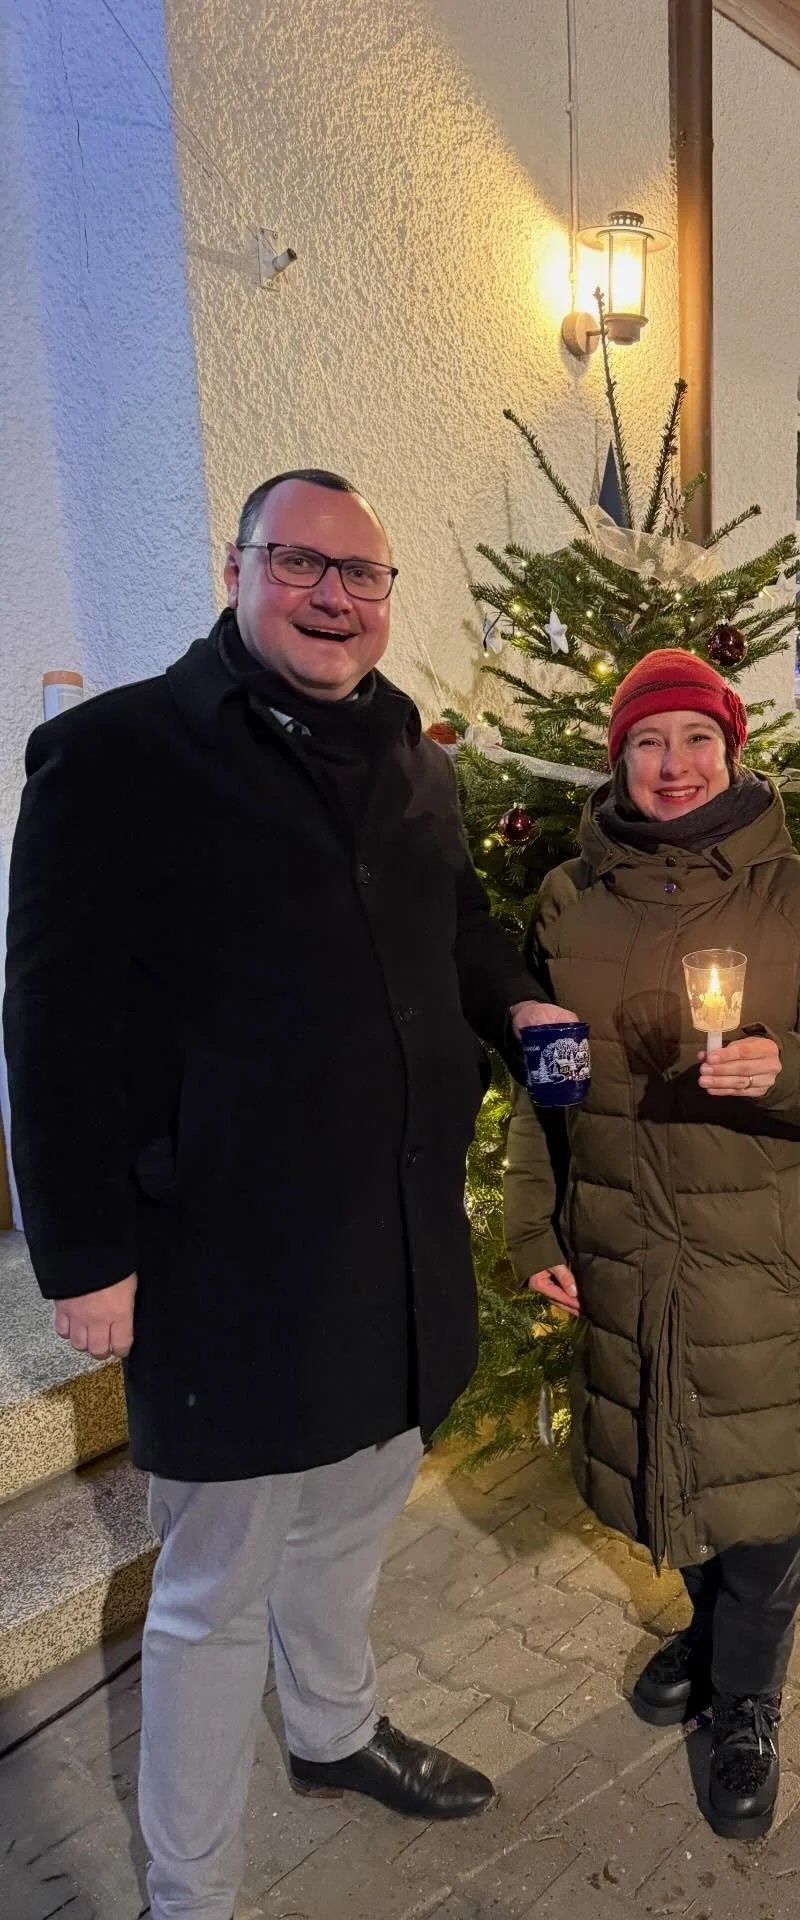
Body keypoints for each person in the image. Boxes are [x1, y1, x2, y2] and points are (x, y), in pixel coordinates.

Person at [4, 470, 577, 1920]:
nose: (336, 598)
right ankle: (191, 1895)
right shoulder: (117, 755)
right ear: (237, 569)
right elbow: (52, 1023)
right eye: (301, 565)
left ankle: (330, 1734)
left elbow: (455, 924)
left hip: (389, 1246)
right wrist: (82, 1257)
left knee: (353, 1523)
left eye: (364, 576)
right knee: (210, 1602)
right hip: (225, 1265)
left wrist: (516, 1007)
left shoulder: (411, 758)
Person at [504, 648, 800, 1840]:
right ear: (619, 760)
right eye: (649, 745)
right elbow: (544, 1090)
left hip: (764, 1257)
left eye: (697, 743)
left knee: (765, 1502)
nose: (674, 768)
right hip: (626, 1237)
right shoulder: (571, 901)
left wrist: (789, 1070)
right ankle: (705, 1628)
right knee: (672, 1461)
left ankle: (749, 1703)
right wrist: (534, 1224)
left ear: (733, 754)